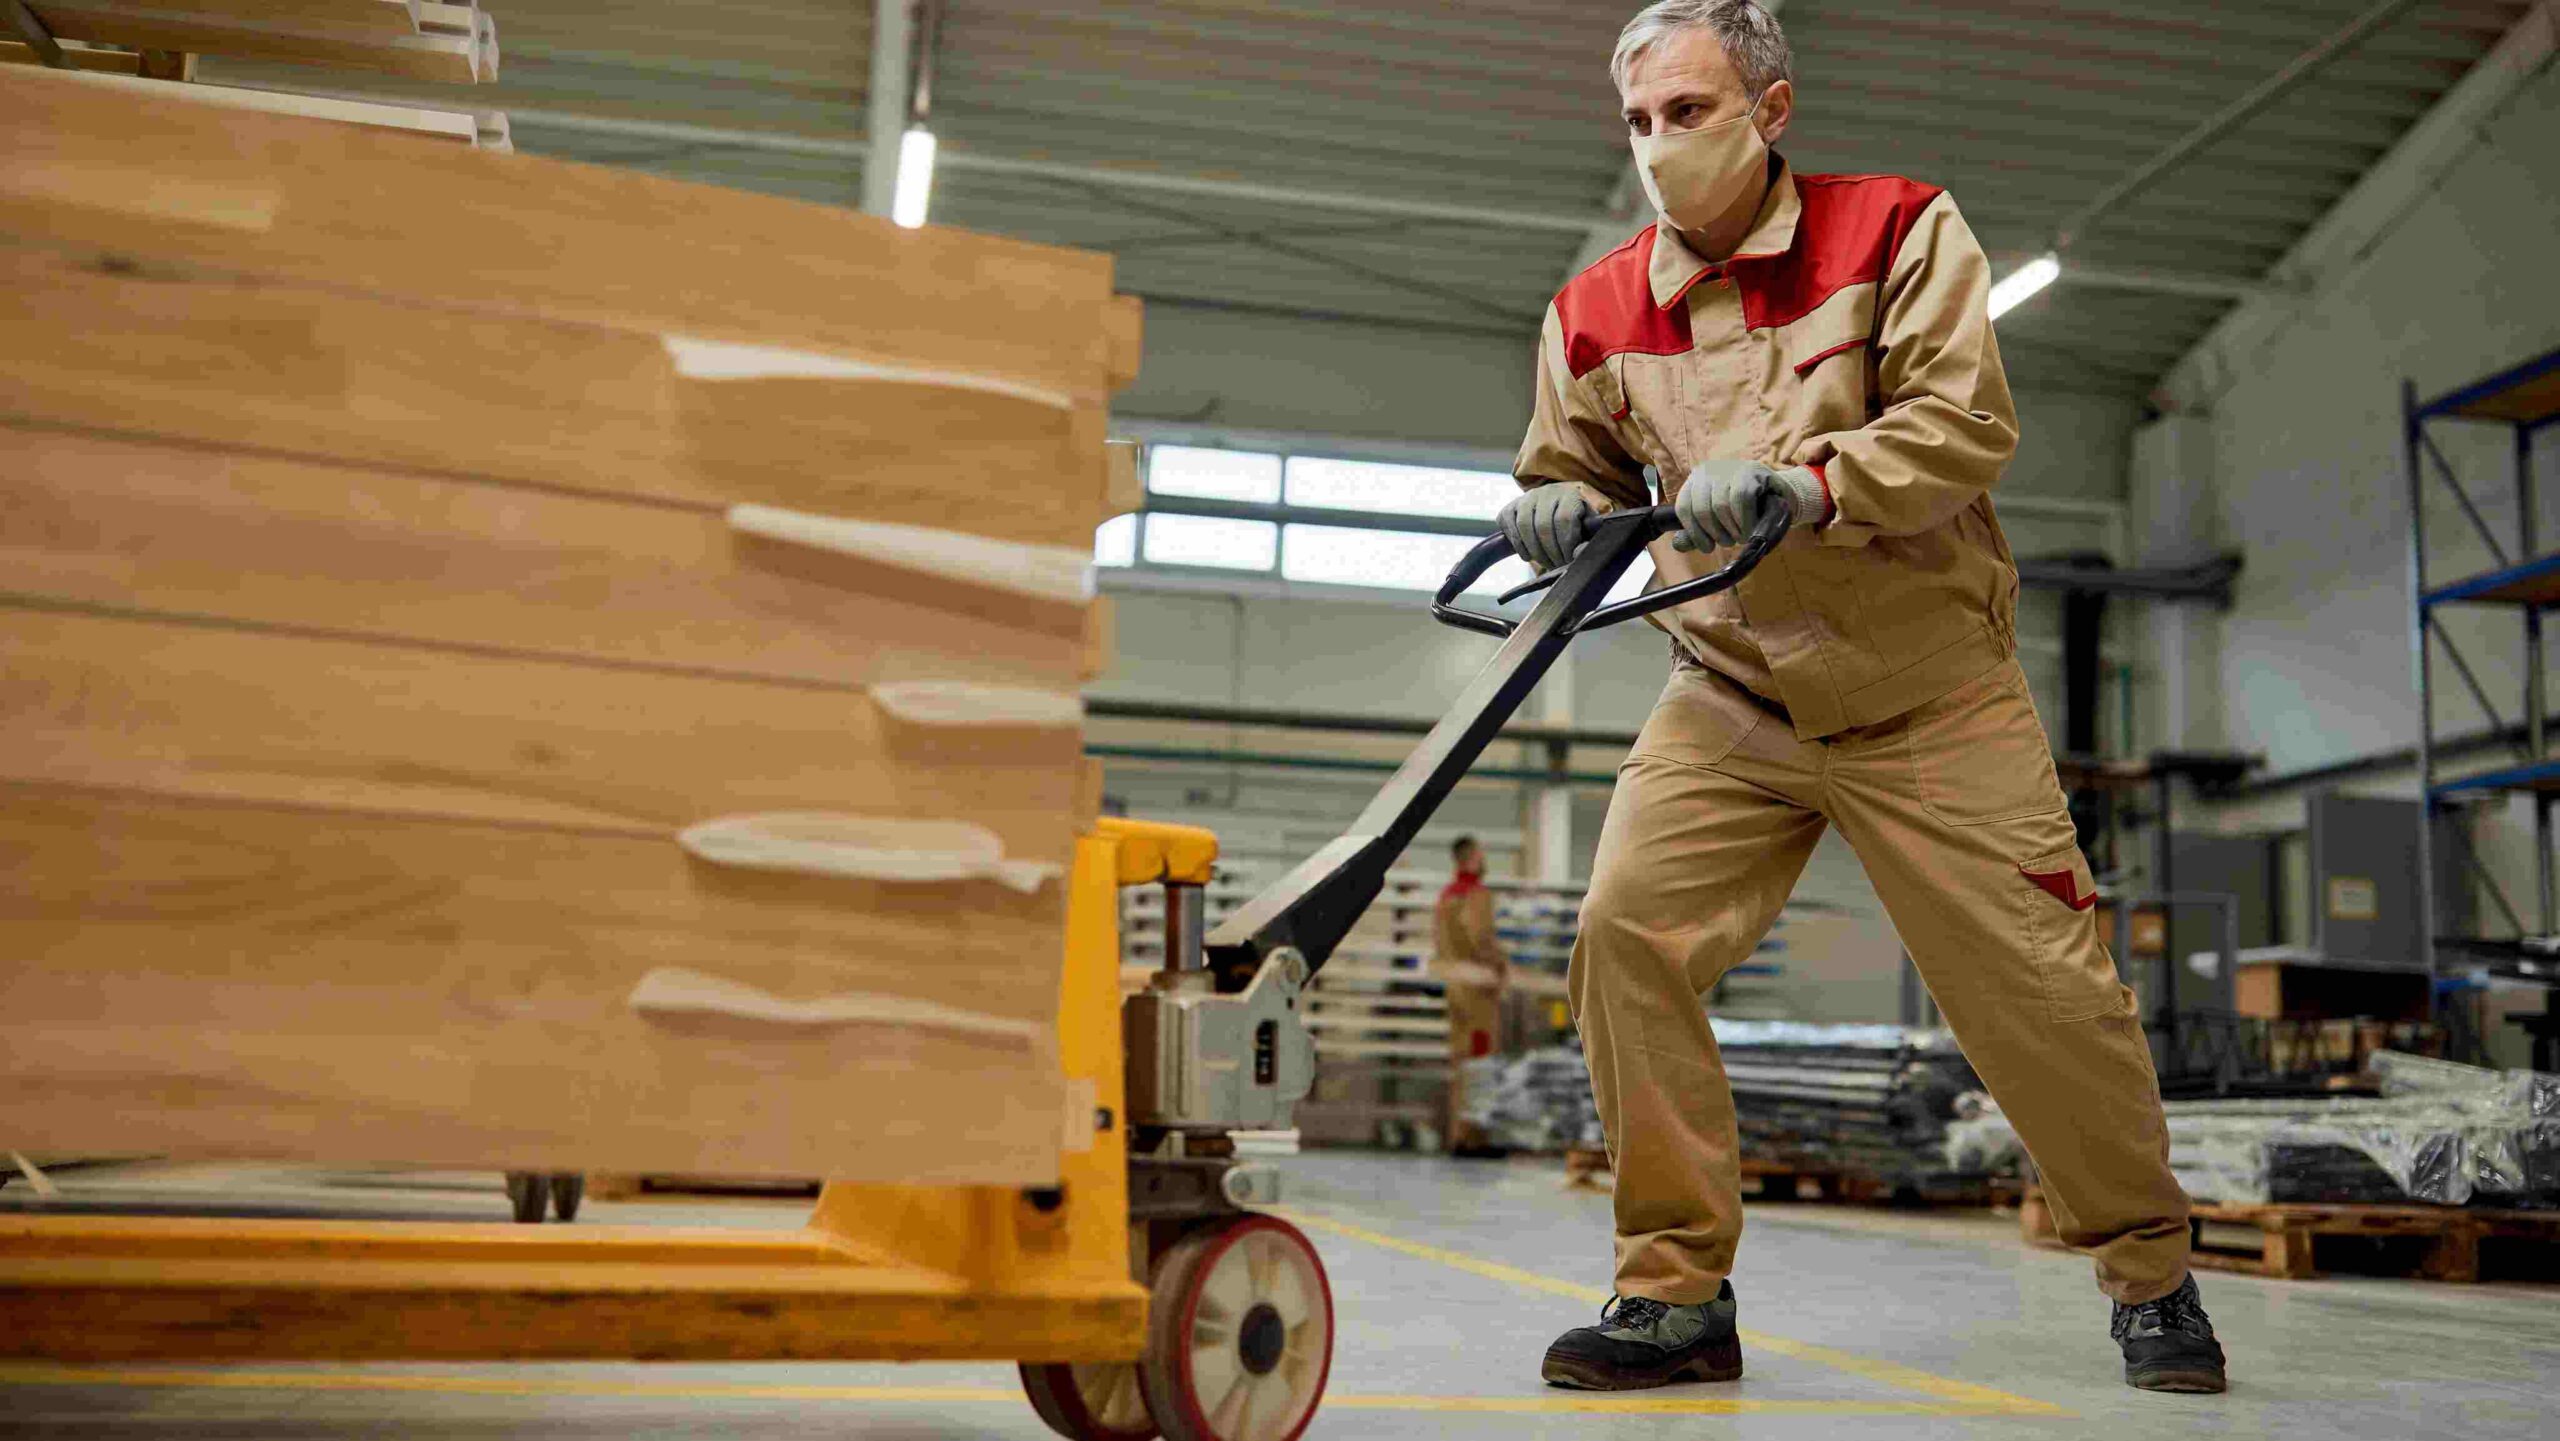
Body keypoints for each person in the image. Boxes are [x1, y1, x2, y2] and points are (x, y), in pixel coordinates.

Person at [1500, 0, 2225, 1397]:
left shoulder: (1898, 231)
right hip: (1729, 693)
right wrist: (1547, 508)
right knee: (1622, 936)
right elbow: (1569, 462)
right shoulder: (1594, 310)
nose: (1659, 150)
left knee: (2042, 992)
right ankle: (1673, 1292)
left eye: (1690, 115)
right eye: (1640, 123)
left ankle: (2153, 1270)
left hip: (1928, 694)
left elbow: (1964, 424)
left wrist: (1812, 482)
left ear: (1771, 114)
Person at [1432, 835, 1509, 1155]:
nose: (1484, 860)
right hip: (1478, 988)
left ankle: (1457, 1134)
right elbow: (1480, 937)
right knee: (1481, 1060)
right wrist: (1500, 965)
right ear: (1470, 859)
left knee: (1461, 1061)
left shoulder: (1445, 897)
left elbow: (1440, 942)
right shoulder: (1477, 896)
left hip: (1455, 986)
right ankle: (1474, 1138)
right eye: (1481, 855)